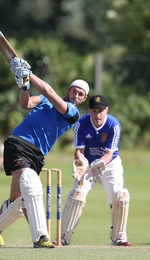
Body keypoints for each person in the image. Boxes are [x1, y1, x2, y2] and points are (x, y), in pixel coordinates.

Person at [0, 57, 89, 248]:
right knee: (31, 184)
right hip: (18, 143)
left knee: (18, 202)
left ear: (83, 99)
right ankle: (41, 237)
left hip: (37, 155)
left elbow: (48, 90)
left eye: (80, 94)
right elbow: (26, 103)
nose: (76, 95)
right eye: (74, 91)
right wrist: (24, 86)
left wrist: (27, 73)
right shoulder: (45, 101)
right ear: (69, 90)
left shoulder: (73, 113)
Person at [59, 95, 132, 246]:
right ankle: (64, 235)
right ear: (89, 110)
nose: (97, 115)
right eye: (94, 111)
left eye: (101, 111)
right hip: (87, 164)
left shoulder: (113, 125)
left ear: (106, 110)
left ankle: (119, 235)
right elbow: (79, 151)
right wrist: (81, 163)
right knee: (77, 195)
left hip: (110, 165)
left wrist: (100, 163)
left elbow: (108, 154)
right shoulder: (81, 123)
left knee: (121, 196)